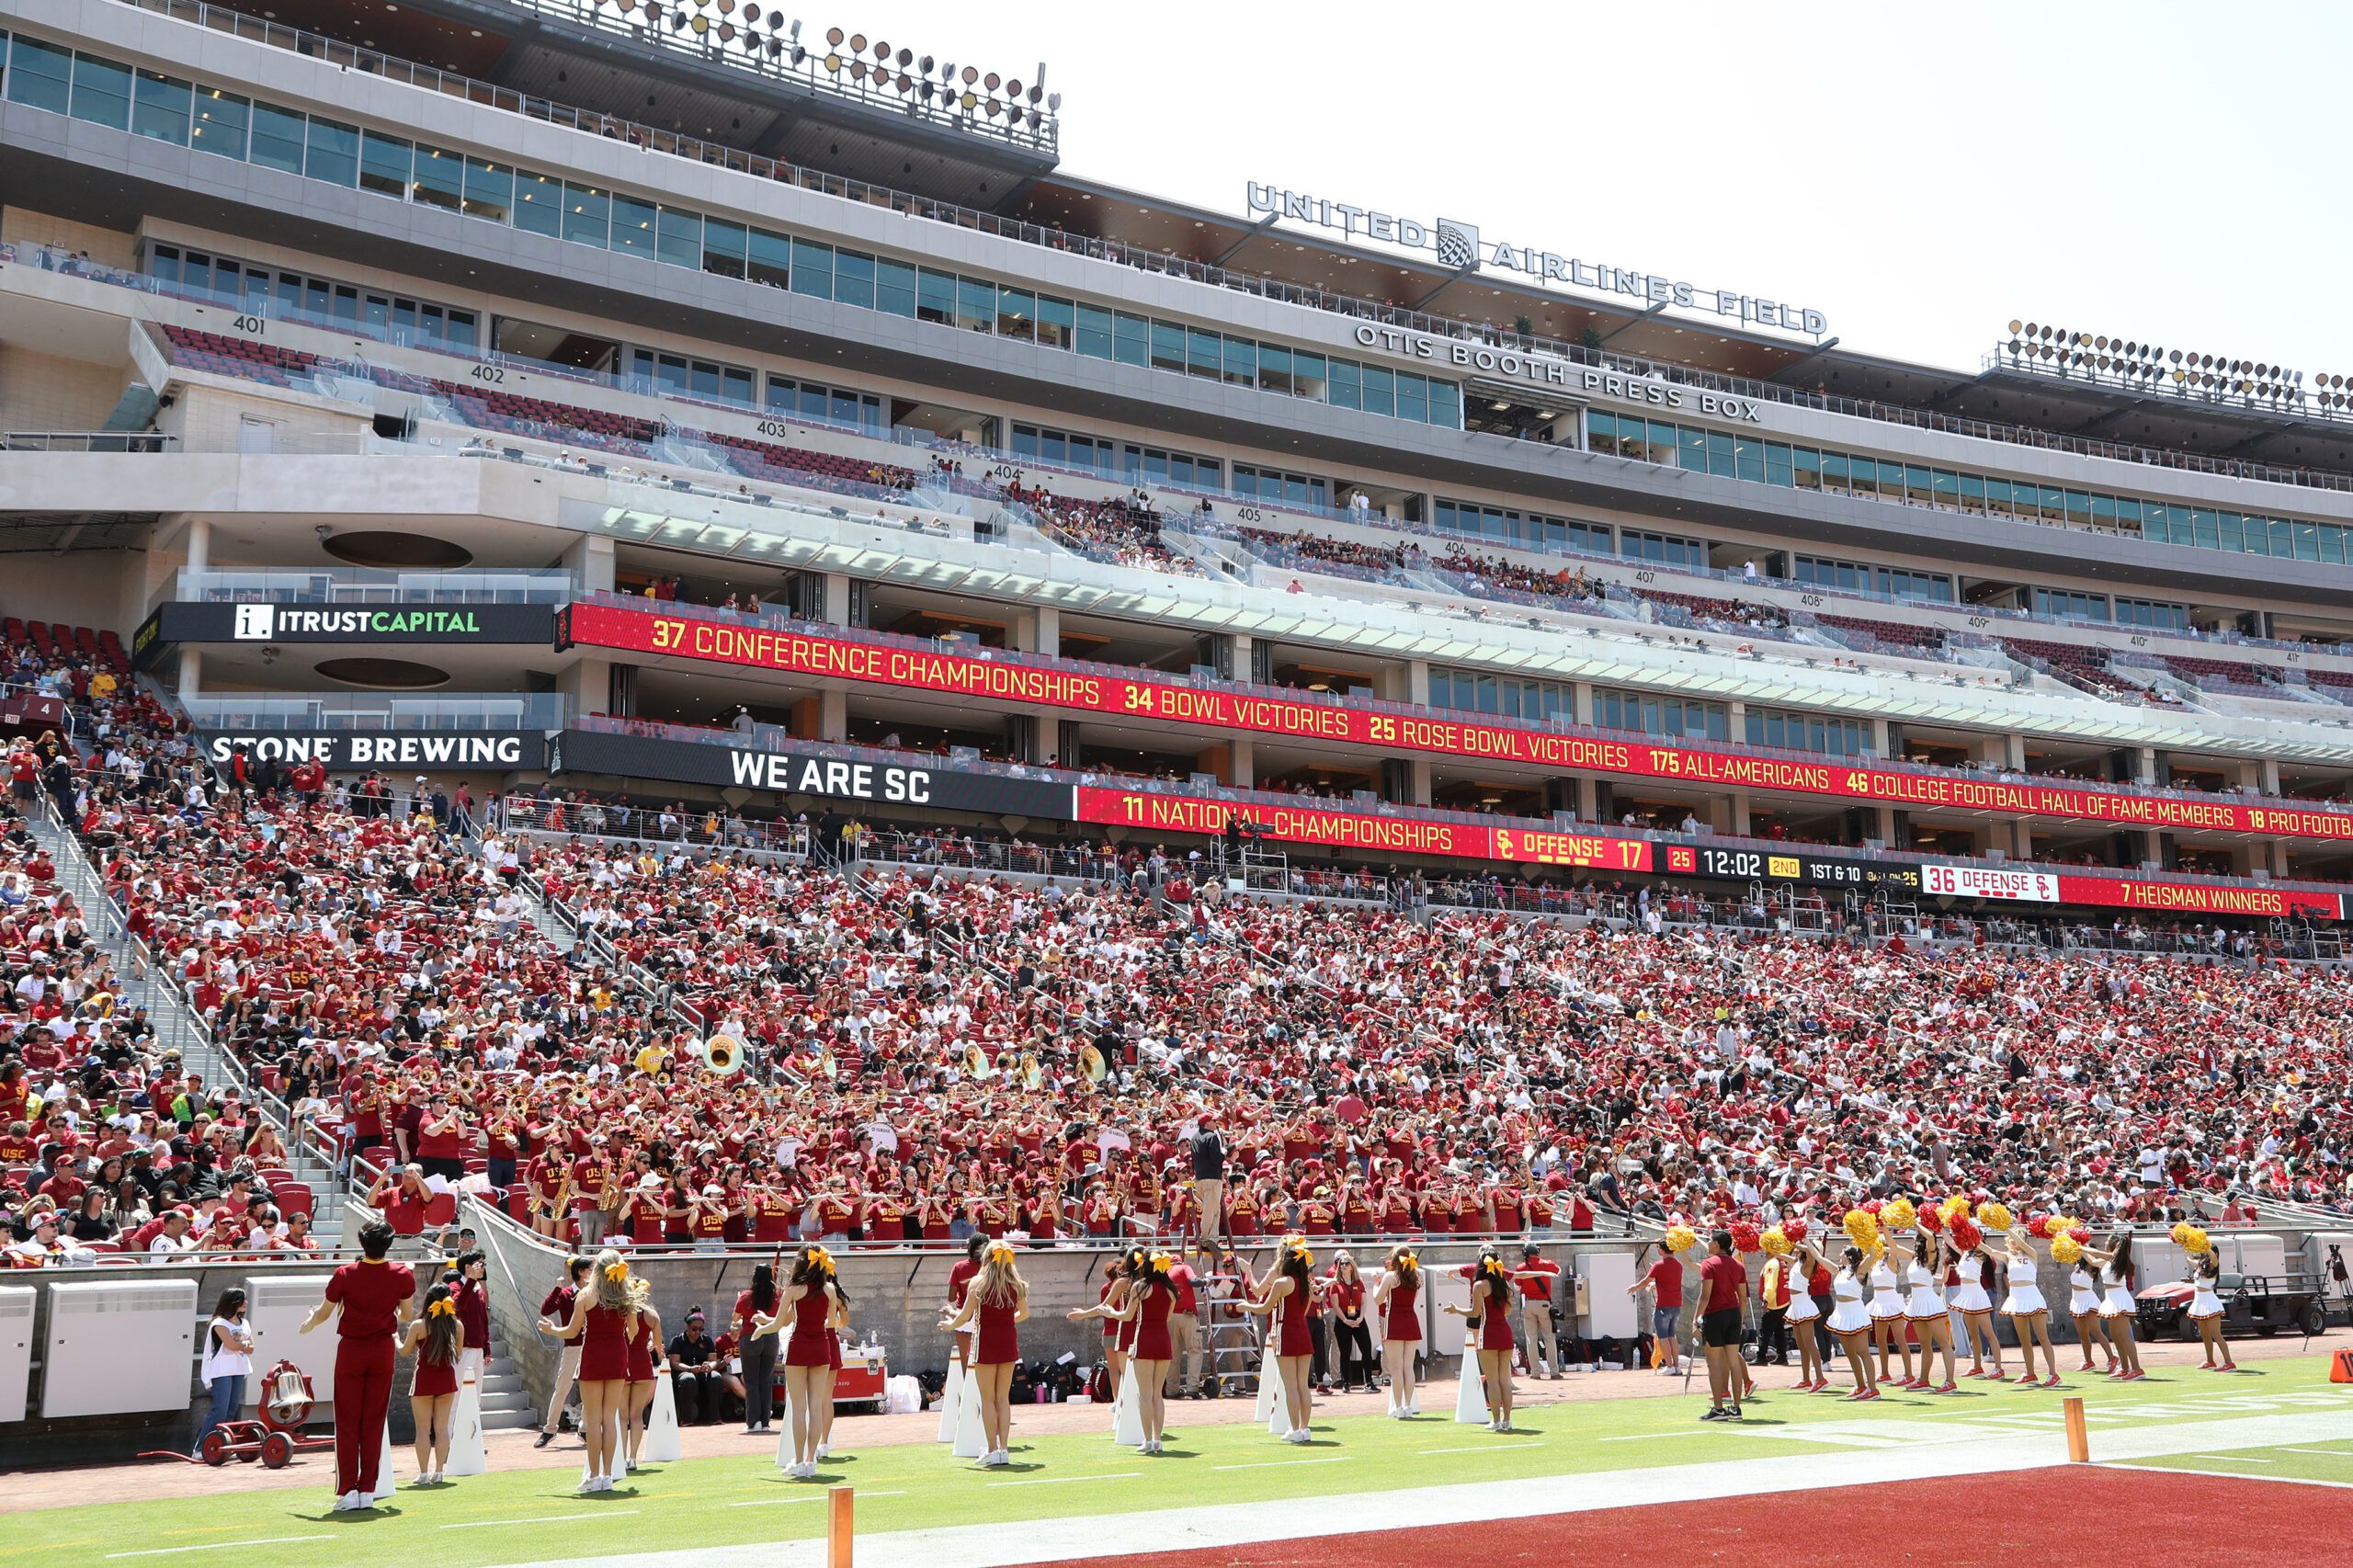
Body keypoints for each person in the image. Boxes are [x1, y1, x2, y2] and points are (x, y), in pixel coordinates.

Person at [298, 1219, 416, 1511]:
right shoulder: (401, 1274)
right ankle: (367, 1489)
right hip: (382, 1348)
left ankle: (349, 1489)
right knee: (374, 1420)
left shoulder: (345, 1273)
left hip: (352, 1348)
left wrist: (310, 1322)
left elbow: (324, 1313)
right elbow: (406, 1314)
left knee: (348, 1419)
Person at [1072, 1246, 1176, 1453]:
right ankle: (1158, 1439)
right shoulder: (1170, 1289)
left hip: (1145, 1339)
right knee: (1157, 1395)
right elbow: (1168, 1317)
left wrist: (1110, 1311)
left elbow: (1127, 1316)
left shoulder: (1140, 1287)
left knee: (1144, 1395)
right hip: (1164, 1340)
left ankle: (1148, 1440)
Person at [557, 1248, 644, 1493]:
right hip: (617, 1355)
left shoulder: (585, 1295)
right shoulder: (627, 1295)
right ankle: (607, 1475)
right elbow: (634, 1331)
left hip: (593, 1356)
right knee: (610, 1419)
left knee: (593, 1420)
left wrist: (552, 1330)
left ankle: (594, 1475)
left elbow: (572, 1331)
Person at [755, 1244, 843, 1477]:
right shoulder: (830, 1289)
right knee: (815, 1407)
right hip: (822, 1347)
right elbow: (832, 1324)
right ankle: (810, 1461)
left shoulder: (794, 1288)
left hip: (800, 1347)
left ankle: (798, 1460)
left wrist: (760, 1329)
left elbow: (777, 1323)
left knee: (799, 1408)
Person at [940, 1238, 1028, 1468]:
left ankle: (991, 1449)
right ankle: (1004, 1449)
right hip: (1008, 1339)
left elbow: (965, 1316)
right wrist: (1006, 1321)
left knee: (987, 1399)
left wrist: (950, 1325)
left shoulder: (978, 1282)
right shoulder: (1015, 1283)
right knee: (1002, 1398)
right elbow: (1024, 1314)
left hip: (985, 1340)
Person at [1235, 1236, 1316, 1444]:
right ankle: (1304, 1428)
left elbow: (1265, 1308)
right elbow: (1305, 1310)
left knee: (1291, 1386)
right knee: (1302, 1385)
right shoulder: (1306, 1283)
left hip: (1284, 1333)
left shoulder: (1282, 1282)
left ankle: (1296, 1429)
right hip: (1302, 1332)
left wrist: (1246, 1306)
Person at [1440, 1250, 1519, 1432]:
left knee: (1492, 1381)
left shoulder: (1479, 1285)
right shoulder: (1504, 1284)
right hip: (1505, 1333)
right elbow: (1507, 1311)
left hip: (1488, 1333)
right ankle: (1508, 1420)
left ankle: (1497, 1421)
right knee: (1505, 1381)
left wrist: (1456, 1310)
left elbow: (1475, 1313)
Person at [400, 1282, 465, 1485]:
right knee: (442, 1429)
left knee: (422, 1430)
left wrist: (395, 1339)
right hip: (446, 1378)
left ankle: (423, 1473)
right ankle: (439, 1472)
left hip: (424, 1380)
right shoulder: (457, 1325)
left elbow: (404, 1351)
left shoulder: (419, 1325)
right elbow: (459, 1353)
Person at [1984, 1226, 2059, 1387]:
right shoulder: (2008, 1257)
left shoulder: (2032, 1253)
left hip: (2032, 1296)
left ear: (2024, 1239)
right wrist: (1970, 1238)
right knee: (2024, 1340)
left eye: (2018, 1236)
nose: (2013, 1240)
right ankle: (2030, 1373)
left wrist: (2006, 1228)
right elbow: (1989, 1250)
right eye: (2012, 1237)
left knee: (2042, 1337)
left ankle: (2053, 1374)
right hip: (2016, 1298)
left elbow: (2019, 1242)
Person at [535, 1256, 591, 1447]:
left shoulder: (594, 1293)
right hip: (573, 1346)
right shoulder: (567, 1293)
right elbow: (546, 1309)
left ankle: (585, 1429)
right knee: (562, 1388)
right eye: (589, 1270)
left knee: (589, 1389)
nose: (592, 1273)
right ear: (581, 1272)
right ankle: (550, 1429)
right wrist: (557, 1288)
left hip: (592, 1346)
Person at [1695, 1230, 1749, 1422]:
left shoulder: (1709, 1264)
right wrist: (1740, 1318)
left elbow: (1705, 1296)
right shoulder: (1738, 1265)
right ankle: (1736, 1407)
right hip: (1733, 1314)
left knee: (1714, 1363)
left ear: (1717, 1245)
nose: (1708, 1244)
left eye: (1710, 1241)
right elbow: (1743, 1297)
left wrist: (1696, 1319)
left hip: (1714, 1315)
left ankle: (1718, 1408)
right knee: (1733, 1361)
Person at [1893, 1231, 1956, 1392]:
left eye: (1915, 1237)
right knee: (1924, 1345)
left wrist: (1915, 1222)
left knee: (1943, 1343)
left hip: (1929, 1302)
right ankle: (1923, 1379)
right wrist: (1884, 1226)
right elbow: (1894, 1246)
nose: (1913, 1240)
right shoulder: (1914, 1258)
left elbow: (1930, 1237)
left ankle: (1950, 1381)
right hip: (1917, 1302)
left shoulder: (1931, 1256)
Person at [195, 1287, 255, 1459]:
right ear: (233, 1302)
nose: (246, 1303)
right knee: (219, 1409)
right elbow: (233, 1345)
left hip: (238, 1369)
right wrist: (242, 1344)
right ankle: (200, 1447)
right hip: (221, 1370)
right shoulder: (219, 1323)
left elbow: (251, 1348)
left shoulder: (245, 1323)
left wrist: (241, 1343)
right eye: (243, 1300)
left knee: (231, 1409)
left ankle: (226, 1445)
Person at [2082, 1233, 2145, 1381]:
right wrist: (2081, 1248)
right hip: (2110, 1298)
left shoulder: (2117, 1260)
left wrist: (2080, 1246)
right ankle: (2124, 1368)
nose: (2105, 1242)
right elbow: (2093, 1260)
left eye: (2108, 1240)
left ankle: (2137, 1369)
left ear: (2115, 1244)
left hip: (2120, 1298)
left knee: (2124, 1336)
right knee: (2116, 1336)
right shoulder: (2107, 1261)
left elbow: (2097, 1253)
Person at [1819, 1244, 1879, 1400]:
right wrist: (1805, 1241)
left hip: (1856, 1312)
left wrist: (1866, 1236)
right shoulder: (1839, 1270)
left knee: (1863, 1352)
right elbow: (1819, 1258)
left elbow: (1872, 1255)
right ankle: (1860, 1386)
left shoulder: (1859, 1270)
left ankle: (1873, 1389)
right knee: (1850, 1353)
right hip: (1841, 1313)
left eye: (1842, 1253)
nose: (1839, 1255)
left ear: (1849, 1256)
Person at [1373, 1244, 1422, 1416]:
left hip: (1394, 1321)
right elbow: (1413, 1300)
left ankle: (1398, 1407)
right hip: (1411, 1320)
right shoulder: (1416, 1277)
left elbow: (1378, 1300)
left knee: (1396, 1368)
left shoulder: (1390, 1277)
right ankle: (1408, 1406)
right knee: (1408, 1367)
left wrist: (1375, 1285)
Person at [734, 1257, 782, 1434]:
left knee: (752, 1381)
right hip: (771, 1337)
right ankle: (765, 1421)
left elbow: (735, 1318)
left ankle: (754, 1421)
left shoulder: (746, 1296)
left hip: (750, 1337)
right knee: (766, 1381)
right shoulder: (777, 1296)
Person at [1949, 1235, 2005, 1380]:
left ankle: (1998, 1368)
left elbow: (1983, 1247)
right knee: (1973, 1334)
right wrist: (1943, 1226)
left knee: (1988, 1333)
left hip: (1977, 1295)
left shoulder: (1980, 1252)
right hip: (1966, 1295)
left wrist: (1971, 1233)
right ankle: (1977, 1367)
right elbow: (1951, 1241)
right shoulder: (1965, 1252)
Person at [1628, 1243, 1686, 1376]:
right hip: (1676, 1304)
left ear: (1663, 1250)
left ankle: (1670, 1366)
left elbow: (1645, 1281)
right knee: (1672, 1335)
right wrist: (1656, 1284)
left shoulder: (1659, 1265)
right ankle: (1676, 1366)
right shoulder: (1679, 1264)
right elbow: (1668, 1280)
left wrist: (1634, 1288)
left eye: (1659, 1247)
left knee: (1663, 1337)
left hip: (1663, 1305)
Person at [1325, 1251, 1376, 1392]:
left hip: (1358, 1317)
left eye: (1346, 1263)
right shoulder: (1336, 1284)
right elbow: (1335, 1305)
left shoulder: (1359, 1282)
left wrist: (1360, 1317)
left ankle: (1369, 1381)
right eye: (1341, 1264)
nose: (1344, 1266)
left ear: (1352, 1266)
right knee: (1345, 1352)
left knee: (1366, 1348)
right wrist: (1345, 1320)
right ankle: (1346, 1382)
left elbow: (1364, 1302)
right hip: (1343, 1319)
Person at [1512, 1244, 1562, 1380]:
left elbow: (1516, 1287)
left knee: (1531, 1339)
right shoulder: (1547, 1263)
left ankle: (1535, 1373)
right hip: (1545, 1304)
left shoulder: (1521, 1267)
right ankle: (1554, 1371)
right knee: (1549, 1339)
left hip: (1528, 1304)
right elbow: (1559, 1271)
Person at [668, 1308, 724, 1426]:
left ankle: (715, 1416)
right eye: (694, 1329)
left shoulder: (707, 1340)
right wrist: (689, 1369)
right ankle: (686, 1418)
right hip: (684, 1372)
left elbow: (713, 1361)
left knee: (716, 1377)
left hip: (702, 1374)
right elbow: (674, 1362)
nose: (697, 1332)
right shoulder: (678, 1341)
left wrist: (709, 1366)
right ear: (687, 1326)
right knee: (688, 1379)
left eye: (701, 1329)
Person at [2186, 1244, 2236, 1372]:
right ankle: (2210, 1361)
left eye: (2205, 1250)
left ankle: (2229, 1363)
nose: (2202, 1251)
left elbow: (2212, 1255)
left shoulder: (2214, 1264)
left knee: (2216, 1334)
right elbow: (2188, 1258)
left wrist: (2204, 1244)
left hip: (2210, 1302)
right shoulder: (2200, 1265)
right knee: (2204, 1334)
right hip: (2199, 1301)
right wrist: (2186, 1243)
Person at [451, 1250, 490, 1390]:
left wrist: (487, 1349)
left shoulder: (479, 1290)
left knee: (475, 1394)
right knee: (458, 1393)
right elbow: (458, 1305)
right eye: (480, 1264)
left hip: (478, 1349)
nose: (483, 1267)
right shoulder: (455, 1286)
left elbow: (484, 1320)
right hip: (463, 1348)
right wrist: (472, 1279)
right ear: (468, 1267)